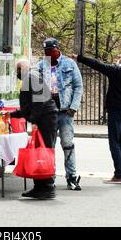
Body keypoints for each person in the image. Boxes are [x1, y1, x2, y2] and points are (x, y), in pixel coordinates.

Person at [71, 52, 121, 183]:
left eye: (119, 57)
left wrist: (79, 58)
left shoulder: (118, 71)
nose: (117, 59)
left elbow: (98, 65)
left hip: (116, 110)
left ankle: (119, 174)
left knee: (114, 141)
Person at [38, 38, 83, 191]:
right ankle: (49, 176)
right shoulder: (41, 65)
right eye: (45, 51)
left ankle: (71, 177)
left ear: (57, 49)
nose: (47, 54)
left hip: (65, 110)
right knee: (49, 146)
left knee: (68, 144)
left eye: (50, 51)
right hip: (47, 112)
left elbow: (78, 86)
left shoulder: (69, 63)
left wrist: (74, 107)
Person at [10, 59, 59, 199]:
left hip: (45, 119)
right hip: (45, 118)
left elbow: (40, 102)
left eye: (17, 70)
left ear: (21, 68)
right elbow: (29, 105)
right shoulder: (31, 77)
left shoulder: (32, 77)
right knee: (39, 152)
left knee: (44, 151)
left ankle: (47, 187)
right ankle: (40, 186)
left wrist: (34, 119)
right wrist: (14, 114)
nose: (17, 73)